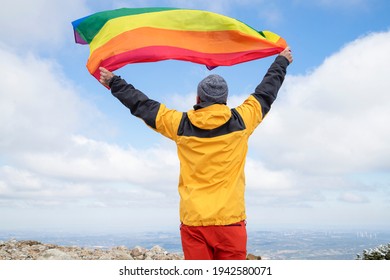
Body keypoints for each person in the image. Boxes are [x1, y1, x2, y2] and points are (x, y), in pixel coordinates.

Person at [99, 47, 293, 260]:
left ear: (198, 98)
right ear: (224, 99)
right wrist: (281, 61)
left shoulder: (180, 124)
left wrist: (114, 82)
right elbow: (266, 92)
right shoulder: (242, 121)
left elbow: (143, 106)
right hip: (231, 222)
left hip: (194, 223)